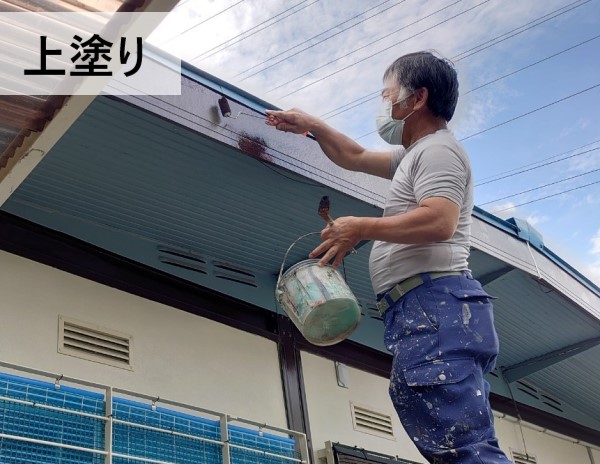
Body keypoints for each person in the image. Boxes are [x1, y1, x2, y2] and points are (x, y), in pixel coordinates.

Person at [266, 51, 512, 463]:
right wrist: (313, 126)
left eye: (388, 95)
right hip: (427, 309)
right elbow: (354, 158)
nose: (384, 106)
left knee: (462, 448)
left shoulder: (438, 152)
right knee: (447, 438)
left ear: (417, 99)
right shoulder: (414, 154)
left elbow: (439, 221)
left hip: (435, 304)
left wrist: (360, 228)